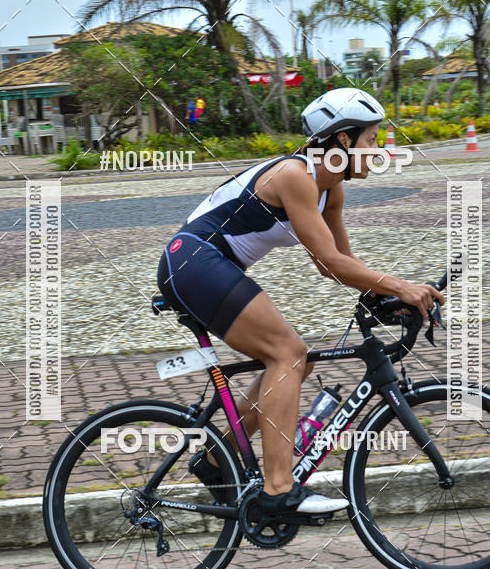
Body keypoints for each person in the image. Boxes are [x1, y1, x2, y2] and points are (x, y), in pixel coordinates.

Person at [157, 88, 444, 517]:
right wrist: (401, 286)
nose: (378, 149)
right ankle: (279, 489)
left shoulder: (331, 190)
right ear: (343, 141)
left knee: (297, 360)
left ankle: (218, 459)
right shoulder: (296, 175)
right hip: (193, 259)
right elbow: (329, 260)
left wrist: (387, 297)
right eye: (371, 139)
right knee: (288, 354)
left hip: (207, 264)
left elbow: (338, 264)